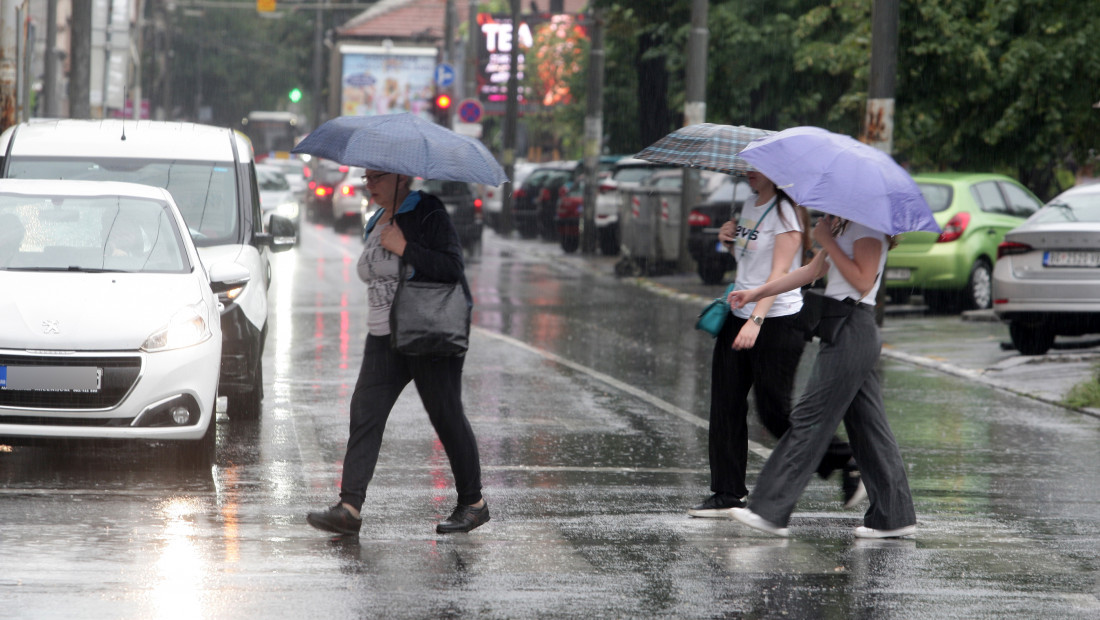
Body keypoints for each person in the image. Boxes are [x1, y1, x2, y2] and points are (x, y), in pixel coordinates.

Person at [307, 169, 488, 536]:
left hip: (425, 333)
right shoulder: (376, 219)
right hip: (383, 337)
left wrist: (406, 248)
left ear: (401, 178)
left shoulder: (427, 210)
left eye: (376, 177)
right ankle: (349, 508)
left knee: (446, 415)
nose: (367, 184)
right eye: (366, 177)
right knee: (365, 413)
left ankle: (474, 503)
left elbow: (452, 267)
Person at [727, 215, 917, 539]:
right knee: (869, 428)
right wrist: (757, 292)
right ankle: (894, 516)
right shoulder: (844, 225)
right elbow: (812, 271)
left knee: (809, 417)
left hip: (853, 330)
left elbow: (864, 281)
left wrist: (827, 240)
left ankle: (768, 510)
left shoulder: (866, 226)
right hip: (844, 329)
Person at [689, 172, 864, 519]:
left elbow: (779, 273)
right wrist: (728, 240)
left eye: (758, 167)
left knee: (774, 411)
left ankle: (845, 459)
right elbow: (751, 263)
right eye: (748, 167)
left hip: (778, 320)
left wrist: (757, 320)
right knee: (725, 403)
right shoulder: (748, 204)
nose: (750, 173)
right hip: (738, 311)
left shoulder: (786, 211)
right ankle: (727, 492)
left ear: (775, 172)